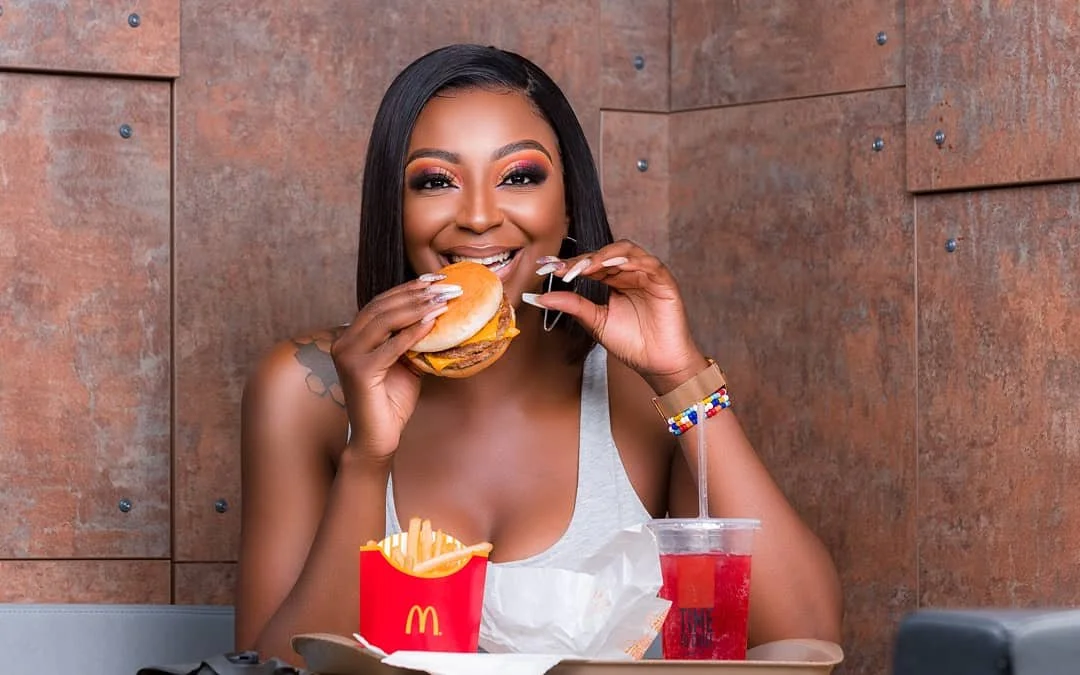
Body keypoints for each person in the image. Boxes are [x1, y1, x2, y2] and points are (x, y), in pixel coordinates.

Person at [235, 43, 842, 665]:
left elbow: (804, 639)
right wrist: (368, 457)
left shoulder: (640, 390)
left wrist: (681, 375)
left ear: (569, 203)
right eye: (435, 181)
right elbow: (275, 669)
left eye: (519, 176)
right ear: (397, 209)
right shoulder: (307, 388)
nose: (477, 216)